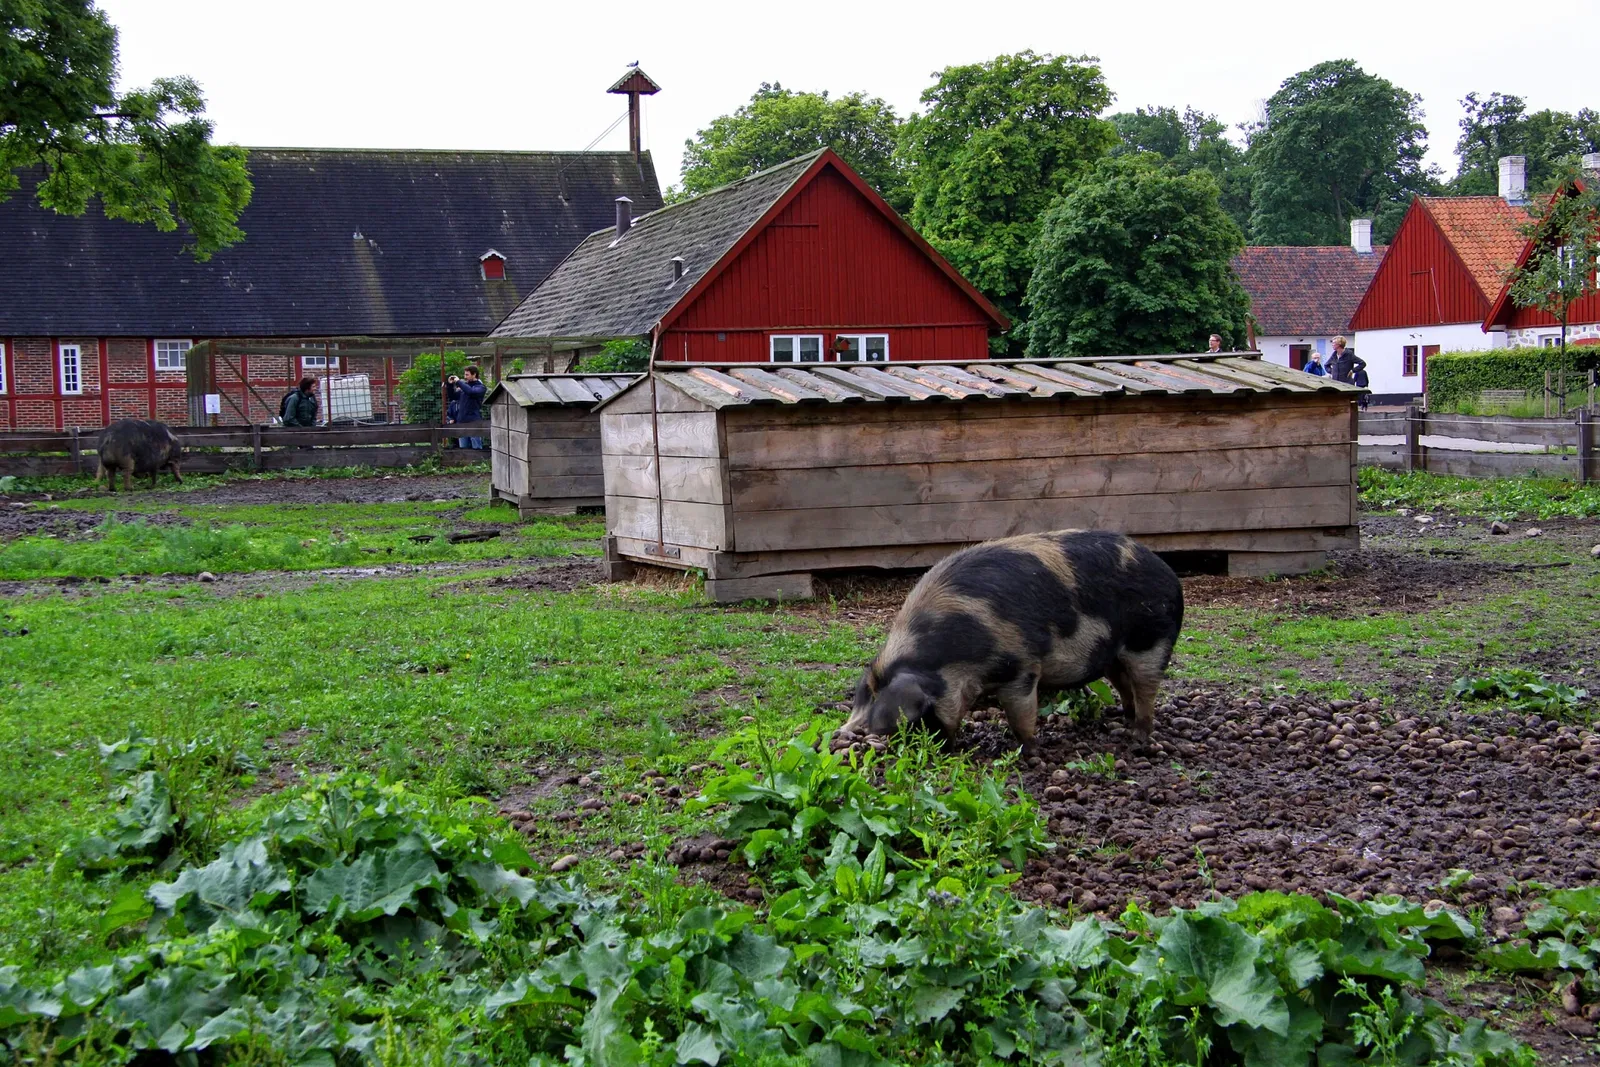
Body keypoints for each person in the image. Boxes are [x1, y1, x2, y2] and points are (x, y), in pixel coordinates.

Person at [454, 365, 488, 449]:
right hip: (462, 420)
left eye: (467, 375)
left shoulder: (481, 387)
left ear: (474, 374)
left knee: (476, 447)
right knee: (463, 448)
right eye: (464, 374)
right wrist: (450, 384)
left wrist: (459, 382)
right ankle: (465, 462)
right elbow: (453, 397)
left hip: (473, 421)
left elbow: (471, 392)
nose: (465, 377)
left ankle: (478, 462)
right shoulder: (464, 387)